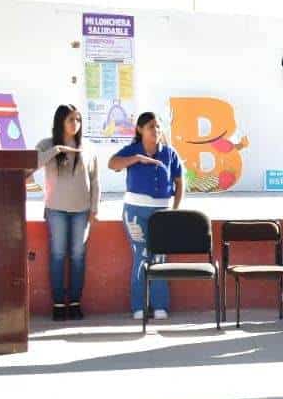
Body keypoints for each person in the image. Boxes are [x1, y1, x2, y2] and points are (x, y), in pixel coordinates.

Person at [108, 111, 184, 320]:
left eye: (158, 126)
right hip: (135, 212)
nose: (156, 130)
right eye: (151, 126)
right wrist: (136, 159)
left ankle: (160, 305)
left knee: (159, 258)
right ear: (140, 129)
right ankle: (139, 306)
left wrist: (175, 211)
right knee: (141, 256)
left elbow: (179, 183)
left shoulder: (169, 153)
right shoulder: (132, 150)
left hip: (162, 213)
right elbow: (112, 164)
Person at [35, 104, 99, 320]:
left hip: (82, 210)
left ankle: (74, 301)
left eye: (78, 119)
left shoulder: (87, 147)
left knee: (78, 256)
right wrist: (57, 150)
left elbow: (95, 180)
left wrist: (94, 209)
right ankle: (58, 304)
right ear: (60, 121)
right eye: (71, 119)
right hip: (56, 210)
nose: (75, 124)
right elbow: (31, 165)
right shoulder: (46, 144)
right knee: (58, 255)